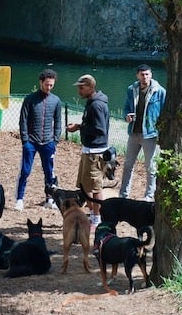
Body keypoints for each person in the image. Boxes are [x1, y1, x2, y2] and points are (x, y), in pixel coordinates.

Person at [65, 74, 110, 229]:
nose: (79, 90)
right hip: (89, 149)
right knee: (85, 186)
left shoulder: (96, 105)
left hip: (95, 153)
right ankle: (92, 215)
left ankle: (97, 219)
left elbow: (100, 129)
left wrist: (79, 127)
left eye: (81, 87)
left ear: (91, 87)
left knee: (95, 187)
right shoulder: (91, 102)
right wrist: (80, 126)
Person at [15, 69, 63, 211]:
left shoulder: (56, 101)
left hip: (48, 142)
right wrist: (25, 140)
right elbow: (22, 121)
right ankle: (19, 199)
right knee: (25, 171)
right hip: (31, 142)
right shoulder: (30, 99)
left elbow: (58, 122)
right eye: (47, 84)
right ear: (41, 82)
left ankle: (49, 199)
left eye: (51, 85)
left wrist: (55, 140)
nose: (48, 87)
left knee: (49, 172)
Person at [119, 64, 165, 202]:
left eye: (147, 74)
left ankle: (149, 196)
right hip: (134, 132)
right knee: (128, 165)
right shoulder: (131, 89)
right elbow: (126, 107)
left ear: (151, 75)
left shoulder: (160, 91)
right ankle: (123, 194)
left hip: (150, 134)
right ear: (137, 76)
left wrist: (160, 131)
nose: (144, 77)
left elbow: (164, 112)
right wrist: (126, 116)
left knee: (150, 166)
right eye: (142, 74)